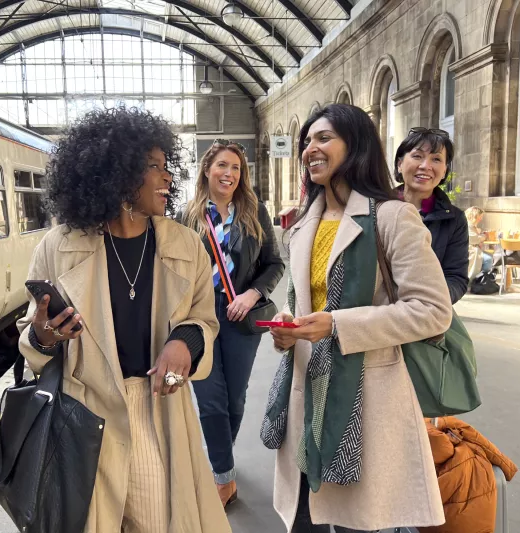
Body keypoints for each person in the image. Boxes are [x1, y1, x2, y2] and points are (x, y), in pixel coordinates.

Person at [16, 107, 231, 533]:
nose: (167, 177)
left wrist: (184, 342)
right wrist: (44, 335)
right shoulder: (58, 246)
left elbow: (205, 319)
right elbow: (32, 342)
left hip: (156, 407)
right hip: (82, 417)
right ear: (116, 173)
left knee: (158, 521)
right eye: (154, 167)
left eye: (167, 166)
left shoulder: (187, 246)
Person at [263, 104, 452, 532]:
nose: (310, 148)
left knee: (355, 521)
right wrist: (289, 331)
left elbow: (432, 310)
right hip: (304, 391)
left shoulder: (392, 216)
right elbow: (310, 302)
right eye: (307, 140)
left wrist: (337, 325)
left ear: (356, 146)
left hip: (363, 394)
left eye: (324, 138)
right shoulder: (302, 225)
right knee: (304, 517)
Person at [178, 140, 284, 507]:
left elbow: (275, 263)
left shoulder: (254, 212)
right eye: (223, 165)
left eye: (236, 168)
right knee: (210, 399)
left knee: (234, 400)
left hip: (240, 317)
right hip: (198, 316)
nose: (230, 174)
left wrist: (252, 295)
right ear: (207, 169)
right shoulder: (186, 216)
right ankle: (223, 477)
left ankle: (220, 456)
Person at [394, 127, 469, 304]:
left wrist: (431, 302)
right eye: (417, 156)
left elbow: (456, 277)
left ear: (444, 171)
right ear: (400, 164)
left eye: (436, 159)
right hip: (374, 315)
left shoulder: (454, 220)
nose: (425, 166)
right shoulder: (376, 208)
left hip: (425, 316)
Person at [464, 206, 493, 278]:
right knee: (488, 259)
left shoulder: (471, 225)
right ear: (475, 216)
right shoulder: (467, 225)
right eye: (480, 216)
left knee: (489, 258)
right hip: (469, 251)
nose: (481, 219)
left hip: (473, 249)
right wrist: (485, 236)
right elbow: (474, 239)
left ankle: (481, 278)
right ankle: (480, 279)